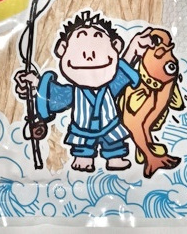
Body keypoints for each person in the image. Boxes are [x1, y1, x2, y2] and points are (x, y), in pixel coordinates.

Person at [14, 10, 153, 172]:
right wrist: (36, 83)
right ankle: (83, 157)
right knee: (82, 145)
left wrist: (134, 48)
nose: (89, 56)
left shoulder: (110, 86)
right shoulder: (75, 93)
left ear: (116, 46)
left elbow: (122, 72)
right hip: (83, 129)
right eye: (79, 46)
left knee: (114, 143)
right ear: (62, 49)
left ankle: (115, 156)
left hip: (110, 126)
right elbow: (58, 95)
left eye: (98, 43)